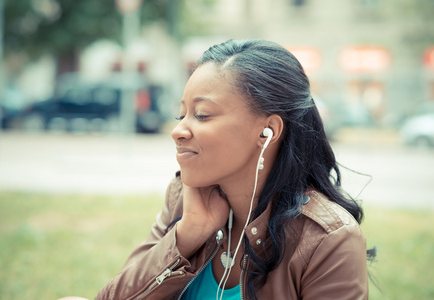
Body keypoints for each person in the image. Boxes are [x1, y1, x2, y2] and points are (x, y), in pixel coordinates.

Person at [96, 39, 369, 300]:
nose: (177, 131)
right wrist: (186, 236)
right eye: (181, 115)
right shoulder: (183, 199)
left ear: (267, 132)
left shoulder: (328, 239)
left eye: (201, 115)